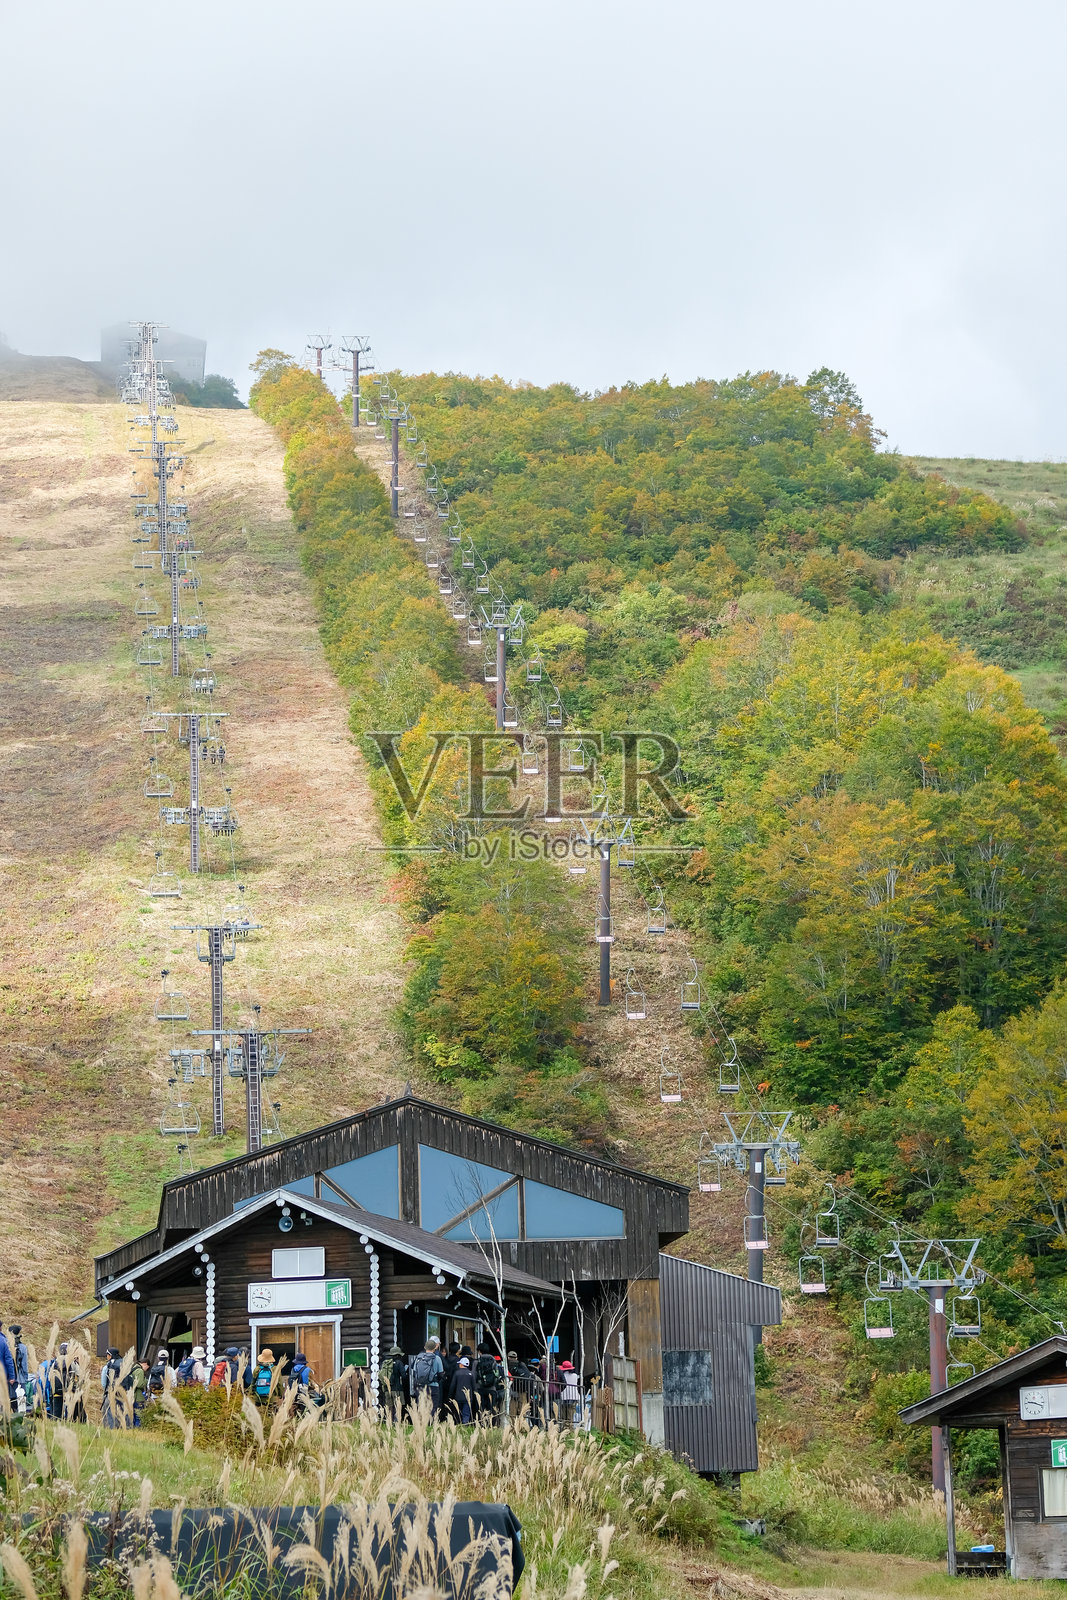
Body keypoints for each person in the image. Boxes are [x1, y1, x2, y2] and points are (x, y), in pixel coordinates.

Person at [408, 1337, 443, 1415]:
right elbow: (441, 1374)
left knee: (421, 1407)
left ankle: (422, 1425)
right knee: (433, 1408)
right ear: (435, 1348)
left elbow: (414, 1373)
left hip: (420, 1386)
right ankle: (431, 1424)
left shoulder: (418, 1358)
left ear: (425, 1347)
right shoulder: (437, 1358)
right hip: (433, 1386)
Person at [474, 1342, 506, 1423]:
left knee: (481, 1408)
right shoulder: (494, 1361)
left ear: (479, 1351)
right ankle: (492, 1424)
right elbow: (497, 1375)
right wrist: (493, 1384)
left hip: (480, 1389)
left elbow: (474, 1376)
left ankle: (482, 1424)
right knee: (492, 1409)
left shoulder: (477, 1362)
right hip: (492, 1389)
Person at [377, 1343, 407, 1413]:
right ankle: (397, 1422)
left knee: (390, 1408)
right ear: (397, 1355)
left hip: (387, 1390)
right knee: (398, 1408)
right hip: (397, 1389)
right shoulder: (399, 1363)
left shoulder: (386, 1363)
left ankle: (390, 1422)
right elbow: (404, 1376)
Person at [449, 1355, 475, 1424]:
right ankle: (465, 1424)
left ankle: (458, 1425)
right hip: (468, 1398)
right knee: (466, 1413)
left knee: (458, 1412)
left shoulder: (457, 1373)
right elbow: (474, 1387)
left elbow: (452, 1386)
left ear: (461, 1364)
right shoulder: (471, 1374)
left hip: (458, 1397)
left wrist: (450, 1396)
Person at [440, 1343, 460, 1420]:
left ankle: (444, 1417)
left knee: (445, 1402)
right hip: (454, 1385)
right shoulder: (458, 1361)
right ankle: (454, 1419)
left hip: (445, 1383)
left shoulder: (445, 1359)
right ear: (458, 1351)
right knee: (454, 1403)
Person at [558, 1360, 582, 1425]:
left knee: (563, 1414)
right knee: (570, 1413)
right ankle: (570, 1427)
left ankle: (564, 1427)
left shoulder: (561, 1375)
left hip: (564, 1396)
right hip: (573, 1396)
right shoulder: (575, 1376)